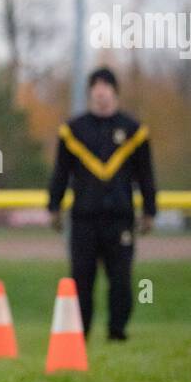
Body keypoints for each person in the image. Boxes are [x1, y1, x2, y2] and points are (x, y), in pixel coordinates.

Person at [46, 67, 157, 341]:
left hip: (119, 216)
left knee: (120, 278)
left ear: (114, 91)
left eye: (106, 85)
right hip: (84, 216)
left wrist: (150, 210)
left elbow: (146, 174)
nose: (101, 91)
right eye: (95, 85)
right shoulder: (73, 130)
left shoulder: (134, 131)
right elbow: (60, 172)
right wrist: (54, 205)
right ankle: (79, 331)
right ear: (89, 92)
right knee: (81, 278)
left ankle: (117, 331)